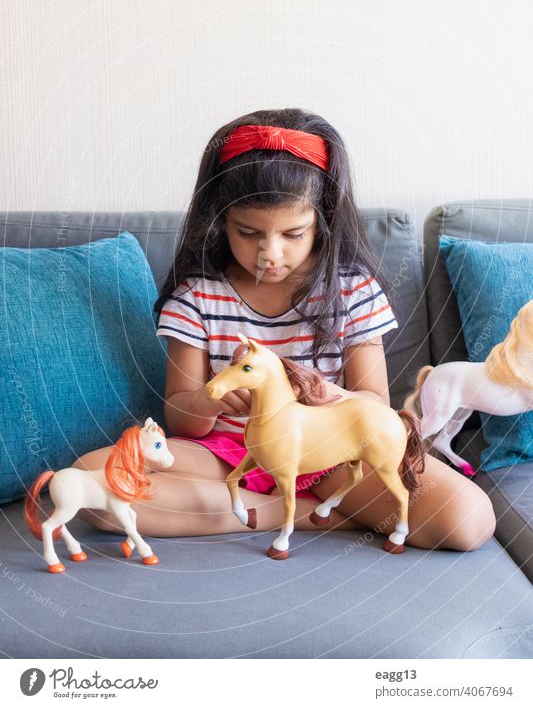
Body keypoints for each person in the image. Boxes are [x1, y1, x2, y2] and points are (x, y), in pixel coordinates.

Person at [74, 107, 496, 550]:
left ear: (323, 222)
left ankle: (264, 509)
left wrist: (322, 394)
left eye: (293, 234)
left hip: (330, 454)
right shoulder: (197, 297)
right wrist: (208, 399)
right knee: (89, 483)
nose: (269, 254)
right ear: (220, 220)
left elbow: (374, 404)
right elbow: (181, 417)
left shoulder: (352, 292)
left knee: (467, 519)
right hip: (226, 455)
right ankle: (302, 513)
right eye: (248, 232)